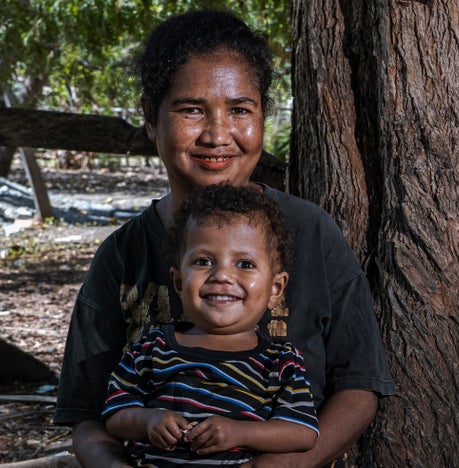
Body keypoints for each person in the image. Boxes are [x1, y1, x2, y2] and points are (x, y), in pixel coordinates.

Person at [55, 10, 396, 467]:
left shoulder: (311, 232)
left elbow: (359, 388)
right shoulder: (122, 255)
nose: (218, 135)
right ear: (151, 120)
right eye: (191, 109)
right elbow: (87, 414)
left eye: (240, 110)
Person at [102, 184, 317, 466]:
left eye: (245, 264)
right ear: (179, 281)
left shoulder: (280, 363)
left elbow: (302, 432)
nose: (223, 275)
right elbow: (116, 413)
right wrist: (148, 420)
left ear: (275, 288)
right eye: (204, 261)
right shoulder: (151, 350)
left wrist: (240, 433)